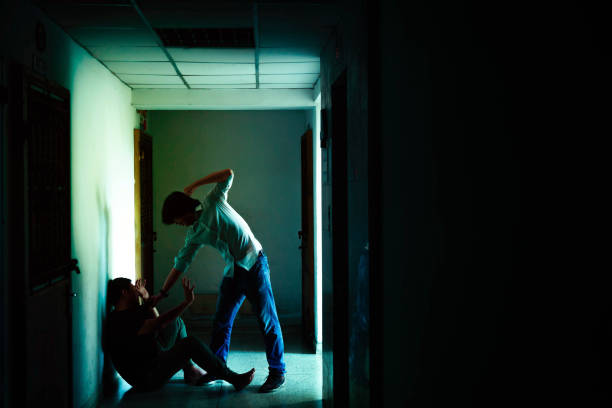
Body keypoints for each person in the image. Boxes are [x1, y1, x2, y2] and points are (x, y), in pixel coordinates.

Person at [150, 168, 286, 393]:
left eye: (178, 219)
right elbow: (180, 264)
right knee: (222, 321)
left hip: (254, 263)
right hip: (234, 271)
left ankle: (278, 372)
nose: (180, 224)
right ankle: (217, 368)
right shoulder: (194, 235)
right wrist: (162, 293)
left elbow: (228, 174)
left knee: (267, 319)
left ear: (184, 210)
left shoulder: (213, 201)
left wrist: (194, 183)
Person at [107, 276, 255, 391]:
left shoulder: (130, 312)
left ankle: (190, 371)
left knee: (176, 323)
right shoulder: (120, 321)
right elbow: (160, 323)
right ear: (124, 293)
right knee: (189, 344)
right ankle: (233, 378)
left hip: (152, 361)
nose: (137, 291)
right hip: (146, 379)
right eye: (133, 289)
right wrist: (186, 303)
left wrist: (147, 299)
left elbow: (158, 322)